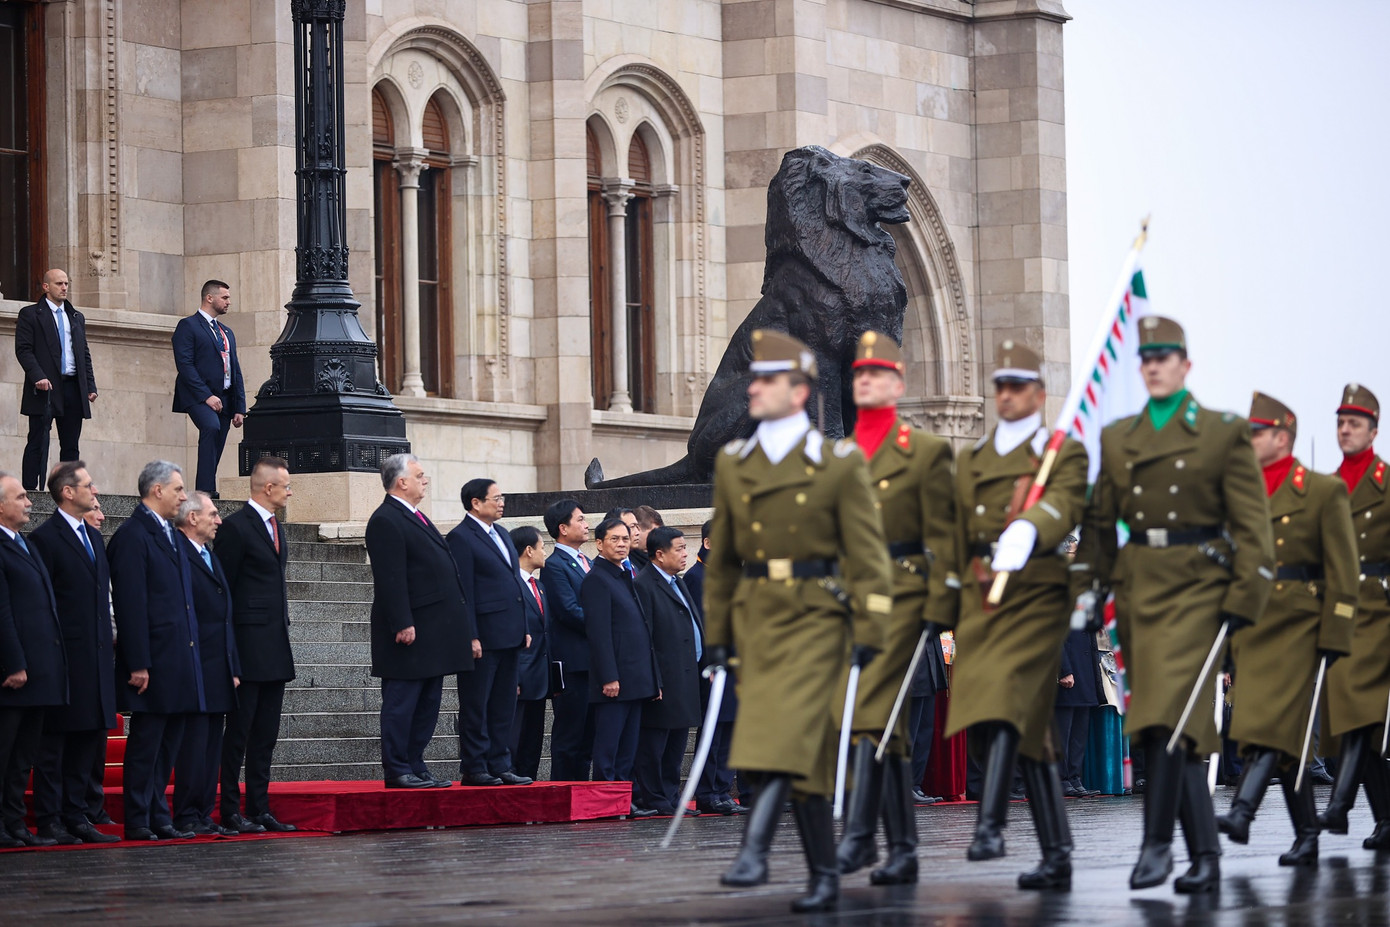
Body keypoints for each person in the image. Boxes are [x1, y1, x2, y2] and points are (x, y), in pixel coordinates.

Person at [1073, 316, 1273, 893]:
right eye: (1148, 357)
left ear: (1186, 365)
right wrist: (1090, 590)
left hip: (1198, 593)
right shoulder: (1118, 436)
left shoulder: (1220, 433)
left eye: (1166, 356)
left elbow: (1252, 527)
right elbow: (1099, 528)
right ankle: (1204, 856)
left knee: (1172, 717)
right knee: (1164, 726)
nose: (1155, 365)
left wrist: (1244, 596)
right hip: (1139, 591)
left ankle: (1156, 846)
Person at [704, 329, 893, 913]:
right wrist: (717, 638)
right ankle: (824, 876)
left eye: (767, 379)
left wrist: (871, 631)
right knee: (801, 756)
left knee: (775, 732)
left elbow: (869, 557)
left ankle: (754, 848)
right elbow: (724, 562)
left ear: (800, 389)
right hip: (760, 619)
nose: (753, 388)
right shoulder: (736, 464)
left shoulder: (837, 463)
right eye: (753, 377)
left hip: (819, 619)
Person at [941, 339, 1087, 891]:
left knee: (1004, 700)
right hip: (983, 599)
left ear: (1038, 394)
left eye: (1019, 386)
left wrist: (1029, 528)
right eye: (1000, 385)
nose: (1007, 395)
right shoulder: (973, 460)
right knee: (1017, 724)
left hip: (1035, 597)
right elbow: (954, 535)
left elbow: (1066, 501)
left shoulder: (1060, 451)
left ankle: (991, 824)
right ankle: (1058, 853)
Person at [836, 331, 959, 886]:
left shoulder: (925, 451)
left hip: (903, 595)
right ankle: (901, 847)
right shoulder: (838, 453)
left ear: (897, 383)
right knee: (876, 727)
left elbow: (946, 537)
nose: (866, 381)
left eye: (877, 374)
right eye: (860, 373)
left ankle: (864, 837)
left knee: (877, 721)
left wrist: (941, 605)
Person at [1217, 392, 1356, 867]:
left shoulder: (1321, 491)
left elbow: (1343, 569)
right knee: (1281, 734)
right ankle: (1308, 835)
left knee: (1270, 725)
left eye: (1257, 432)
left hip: (1302, 623)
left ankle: (1242, 811)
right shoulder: (1244, 493)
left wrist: (1336, 635)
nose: (1250, 440)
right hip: (1256, 626)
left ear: (1282, 436)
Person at [107, 460, 206, 841]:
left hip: (177, 659)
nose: (184, 496)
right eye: (179, 489)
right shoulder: (134, 535)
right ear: (157, 490)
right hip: (152, 663)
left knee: (168, 745)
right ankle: (138, 817)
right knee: (147, 744)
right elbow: (130, 605)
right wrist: (139, 663)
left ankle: (158, 814)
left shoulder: (170, 534)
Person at [365, 454, 475, 789]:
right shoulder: (386, 519)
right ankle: (398, 768)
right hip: (409, 633)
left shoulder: (415, 516)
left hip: (433, 632)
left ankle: (415, 763)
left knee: (427, 704)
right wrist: (401, 622)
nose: (425, 480)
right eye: (420, 475)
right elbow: (390, 577)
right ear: (402, 482)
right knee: (403, 703)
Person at [28, 462, 118, 845]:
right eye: (88, 485)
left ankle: (78, 815)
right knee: (55, 746)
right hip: (63, 659)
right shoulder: (44, 539)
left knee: (87, 741)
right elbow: (41, 606)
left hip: (97, 660)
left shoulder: (95, 538)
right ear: (68, 492)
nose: (95, 491)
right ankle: (51, 819)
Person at [1318, 383, 1390, 848]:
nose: (1345, 430)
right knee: (1347, 722)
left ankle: (1340, 803)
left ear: (1373, 430)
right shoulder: (1326, 485)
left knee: (1360, 711)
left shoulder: (1385, 483)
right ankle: (1385, 818)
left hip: (1376, 611)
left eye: (1355, 423)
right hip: (1334, 610)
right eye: (1341, 422)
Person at [215, 456, 297, 833]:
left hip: (274, 648)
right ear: (268, 488)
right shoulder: (235, 528)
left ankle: (260, 807)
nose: (290, 490)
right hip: (246, 651)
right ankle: (231, 809)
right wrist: (229, 655)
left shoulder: (276, 527)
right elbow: (224, 593)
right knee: (239, 735)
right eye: (285, 484)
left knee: (266, 736)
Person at [447, 479, 532, 786]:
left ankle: (500, 762)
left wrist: (523, 626)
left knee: (503, 704)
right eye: (495, 498)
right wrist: (470, 635)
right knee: (477, 704)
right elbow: (463, 590)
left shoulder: (503, 535)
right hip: (483, 636)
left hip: (510, 634)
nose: (501, 502)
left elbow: (514, 583)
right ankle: (475, 766)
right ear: (475, 503)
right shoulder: (461, 537)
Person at [0, 471, 67, 848]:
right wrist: (13, 663)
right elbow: (3, 611)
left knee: (22, 758)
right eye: (22, 496)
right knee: (4, 754)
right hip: (13, 675)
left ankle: (14, 826)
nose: (29, 502)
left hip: (38, 672)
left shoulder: (23, 542)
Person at [171, 492, 243, 836]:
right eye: (213, 514)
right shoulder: (178, 554)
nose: (219, 520)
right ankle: (186, 814)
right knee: (193, 745)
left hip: (218, 666)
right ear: (192, 518)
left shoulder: (209, 555)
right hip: (194, 664)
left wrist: (232, 666)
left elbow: (224, 616)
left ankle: (202, 813)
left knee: (212, 744)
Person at [583, 516, 661, 815]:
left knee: (627, 749)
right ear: (599, 543)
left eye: (626, 539)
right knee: (608, 749)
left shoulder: (625, 575)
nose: (621, 544)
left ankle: (623, 801)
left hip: (635, 678)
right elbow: (599, 634)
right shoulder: (596, 579)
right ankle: (606, 802)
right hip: (614, 681)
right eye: (614, 539)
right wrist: (609, 676)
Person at [633, 526, 704, 815]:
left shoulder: (678, 581)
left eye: (686, 547)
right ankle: (655, 798)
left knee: (676, 743)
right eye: (680, 548)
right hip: (664, 678)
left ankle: (672, 796)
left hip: (686, 675)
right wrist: (654, 680)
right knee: (655, 745)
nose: (686, 553)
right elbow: (645, 638)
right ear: (659, 554)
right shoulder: (644, 584)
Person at [14, 269, 98, 492]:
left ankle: (68, 490)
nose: (64, 288)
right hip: (45, 389)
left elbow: (84, 353)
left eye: (66, 284)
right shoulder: (30, 314)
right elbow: (23, 350)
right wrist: (38, 376)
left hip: (72, 387)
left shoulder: (76, 316)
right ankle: (30, 490)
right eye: (59, 283)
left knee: (71, 445)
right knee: (38, 442)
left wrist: (90, 385)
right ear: (46, 287)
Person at [688, 520, 746, 815]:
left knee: (731, 730)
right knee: (714, 731)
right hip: (716, 668)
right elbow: (703, 626)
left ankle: (722, 789)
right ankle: (708, 792)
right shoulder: (697, 576)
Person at [172, 280, 246, 497]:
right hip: (197, 395)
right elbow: (185, 365)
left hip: (224, 396)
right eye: (225, 297)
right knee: (211, 427)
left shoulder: (226, 332)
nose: (229, 302)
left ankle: (207, 486)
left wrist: (239, 407)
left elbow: (235, 369)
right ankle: (204, 490)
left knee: (219, 437)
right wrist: (206, 396)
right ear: (209, 298)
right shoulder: (188, 326)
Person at [540, 499, 596, 781]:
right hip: (573, 664)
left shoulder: (588, 561)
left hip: (595, 663)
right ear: (562, 528)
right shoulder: (554, 565)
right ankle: (563, 792)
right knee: (570, 736)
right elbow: (568, 610)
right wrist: (607, 625)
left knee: (589, 737)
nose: (587, 525)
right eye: (580, 519)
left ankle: (584, 795)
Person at [509, 525, 550, 782]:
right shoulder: (511, 584)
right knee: (513, 739)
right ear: (528, 550)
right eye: (542, 546)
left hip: (540, 677)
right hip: (519, 676)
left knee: (532, 743)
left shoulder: (540, 586)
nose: (545, 552)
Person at [1055, 628, 1102, 798]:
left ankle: (1074, 777)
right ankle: (1060, 779)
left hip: (1084, 672)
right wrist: (1064, 669)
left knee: (1079, 732)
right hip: (1068, 671)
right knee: (1062, 732)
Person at [606, 508, 641, 575]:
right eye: (632, 526)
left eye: (637, 526)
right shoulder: (601, 570)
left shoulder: (634, 564)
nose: (638, 532)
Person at [630, 506, 665, 572]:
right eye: (653, 533)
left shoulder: (660, 559)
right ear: (637, 529)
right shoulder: (626, 562)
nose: (657, 539)